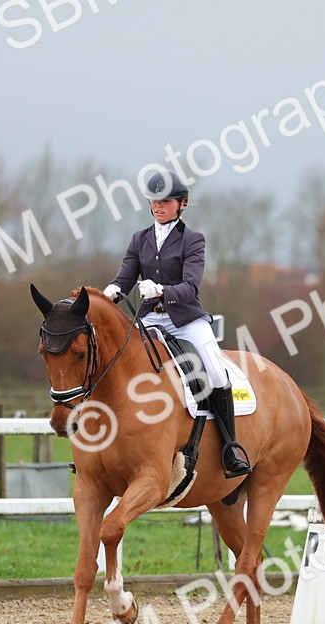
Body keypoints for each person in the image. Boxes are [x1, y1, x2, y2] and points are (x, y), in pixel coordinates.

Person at [102, 170, 252, 478]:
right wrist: (113, 290)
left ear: (182, 204)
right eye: (154, 201)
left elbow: (190, 286)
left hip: (185, 319)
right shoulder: (139, 239)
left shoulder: (193, 240)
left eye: (166, 202)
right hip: (148, 319)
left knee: (214, 370)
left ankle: (230, 447)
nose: (158, 206)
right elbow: (126, 276)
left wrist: (161, 290)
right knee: (115, 362)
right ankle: (103, 448)